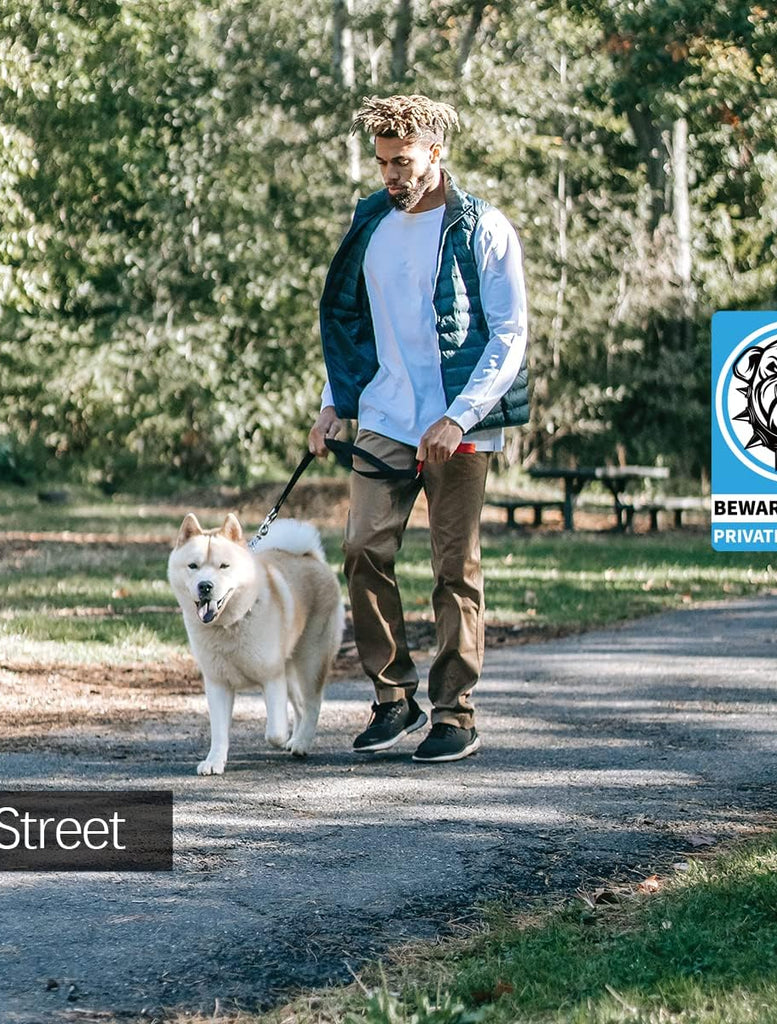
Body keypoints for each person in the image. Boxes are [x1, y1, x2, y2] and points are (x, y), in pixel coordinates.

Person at [308, 94, 529, 763]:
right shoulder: (371, 222)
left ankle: (455, 712)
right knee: (362, 551)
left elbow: (511, 335)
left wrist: (458, 416)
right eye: (382, 163)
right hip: (383, 412)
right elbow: (354, 324)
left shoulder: (483, 228)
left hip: (458, 424)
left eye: (402, 161)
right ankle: (392, 697)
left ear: (437, 153)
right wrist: (333, 398)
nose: (391, 176)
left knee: (452, 568)